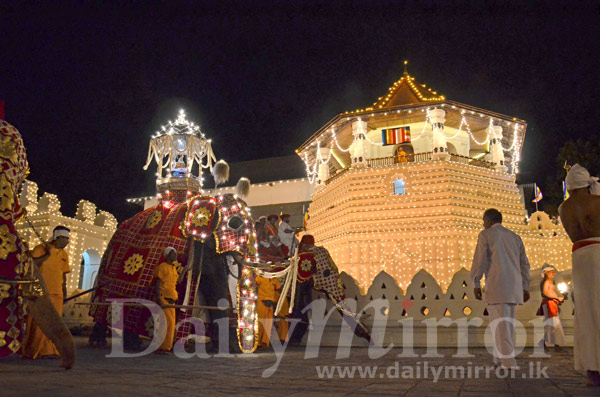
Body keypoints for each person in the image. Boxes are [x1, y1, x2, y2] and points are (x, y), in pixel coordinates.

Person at [471, 208, 530, 369]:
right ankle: (499, 358)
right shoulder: (515, 237)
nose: (483, 225)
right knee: (503, 323)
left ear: (488, 221)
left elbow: (480, 260)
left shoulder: (486, 235)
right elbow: (524, 264)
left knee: (502, 324)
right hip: (513, 287)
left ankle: (508, 362)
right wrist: (525, 286)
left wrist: (476, 282)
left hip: (497, 285)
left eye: (484, 221)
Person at [558, 163, 600, 386]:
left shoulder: (563, 209)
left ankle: (592, 369)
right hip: (598, 252)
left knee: (585, 313)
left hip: (579, 256)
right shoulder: (597, 201)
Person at [22, 226, 71, 360]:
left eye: (68, 239)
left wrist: (64, 291)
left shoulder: (64, 254)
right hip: (41, 292)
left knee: (55, 323)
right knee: (39, 323)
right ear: (57, 237)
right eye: (65, 238)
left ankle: (51, 350)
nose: (67, 242)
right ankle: (35, 350)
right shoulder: (41, 248)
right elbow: (30, 265)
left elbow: (63, 274)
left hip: (57, 293)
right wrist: (46, 256)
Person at [154, 246, 188, 354]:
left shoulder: (173, 268)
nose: (176, 255)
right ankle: (161, 347)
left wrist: (186, 269)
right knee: (165, 324)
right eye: (173, 253)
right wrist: (159, 299)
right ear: (168, 255)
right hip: (164, 299)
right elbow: (157, 284)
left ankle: (167, 347)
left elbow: (179, 280)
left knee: (171, 325)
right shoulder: (162, 267)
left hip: (172, 301)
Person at [289, 234, 316, 345]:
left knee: (296, 313)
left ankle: (293, 338)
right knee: (304, 314)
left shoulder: (297, 256)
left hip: (295, 291)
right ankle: (297, 338)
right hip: (308, 290)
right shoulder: (315, 256)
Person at [538, 264, 566, 352]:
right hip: (549, 305)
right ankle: (550, 343)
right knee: (553, 325)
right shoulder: (546, 281)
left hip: (551, 304)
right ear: (546, 272)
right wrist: (557, 298)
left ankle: (555, 344)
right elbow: (545, 293)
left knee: (554, 325)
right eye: (551, 271)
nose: (553, 273)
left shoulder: (549, 281)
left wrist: (557, 299)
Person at [255, 274, 288, 348]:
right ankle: (257, 342)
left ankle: (264, 342)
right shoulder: (260, 278)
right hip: (261, 302)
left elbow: (279, 288)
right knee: (260, 323)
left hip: (270, 304)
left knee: (268, 324)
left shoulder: (274, 279)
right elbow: (253, 285)